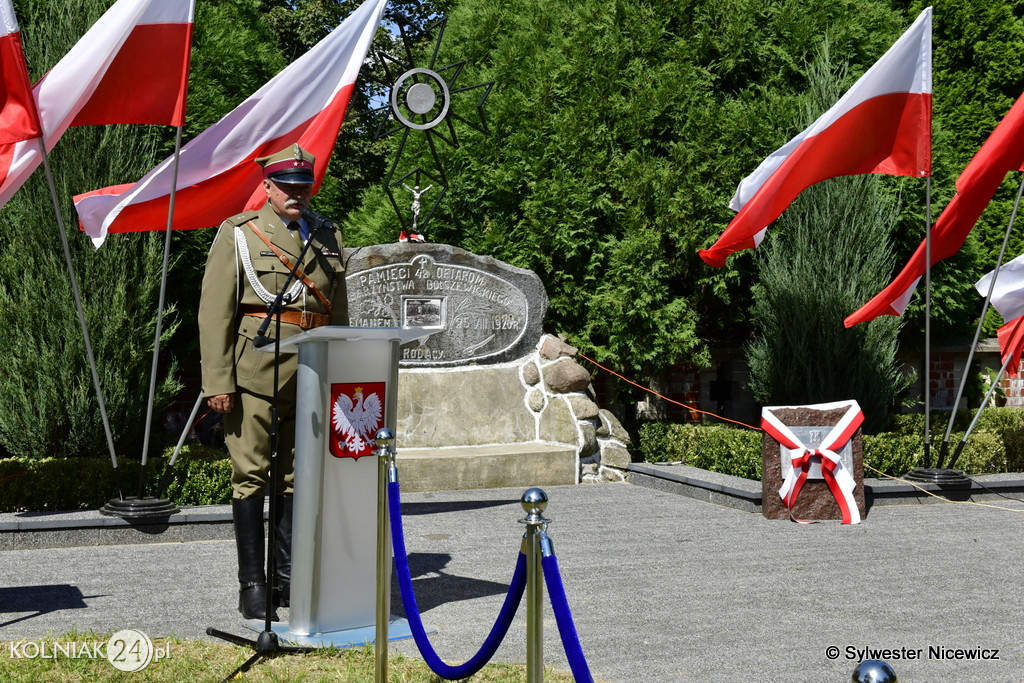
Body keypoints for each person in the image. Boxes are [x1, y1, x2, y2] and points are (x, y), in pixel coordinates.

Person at [198, 144, 349, 620]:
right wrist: (218, 382)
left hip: (312, 371)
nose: (296, 195)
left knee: (295, 477)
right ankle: (253, 586)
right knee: (252, 475)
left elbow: (336, 310)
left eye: (303, 187)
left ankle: (287, 578)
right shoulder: (240, 234)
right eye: (286, 187)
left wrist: (341, 373)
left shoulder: (326, 233)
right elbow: (215, 313)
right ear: (267, 187)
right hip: (256, 373)